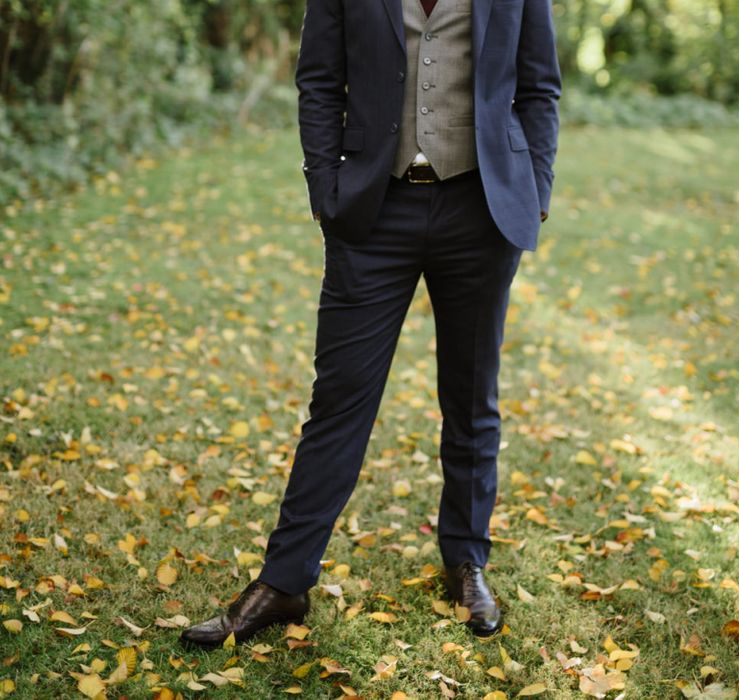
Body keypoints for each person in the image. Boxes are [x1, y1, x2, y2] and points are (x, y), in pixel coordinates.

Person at [181, 0, 561, 649]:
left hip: (482, 211)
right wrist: (324, 190)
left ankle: (466, 559)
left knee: (472, 394)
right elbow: (320, 81)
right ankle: (286, 579)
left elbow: (538, 85)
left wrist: (536, 190)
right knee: (339, 400)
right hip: (372, 215)